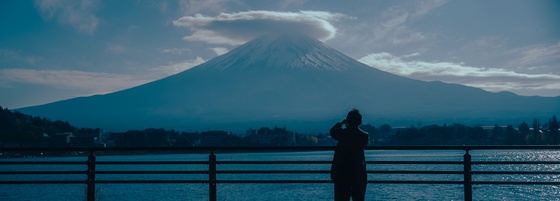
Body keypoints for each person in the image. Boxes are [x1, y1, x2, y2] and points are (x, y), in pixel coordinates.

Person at [330, 109, 369, 201]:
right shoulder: (364, 136)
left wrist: (341, 123)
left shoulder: (342, 133)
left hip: (341, 174)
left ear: (348, 120)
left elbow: (332, 131)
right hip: (358, 175)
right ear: (360, 121)